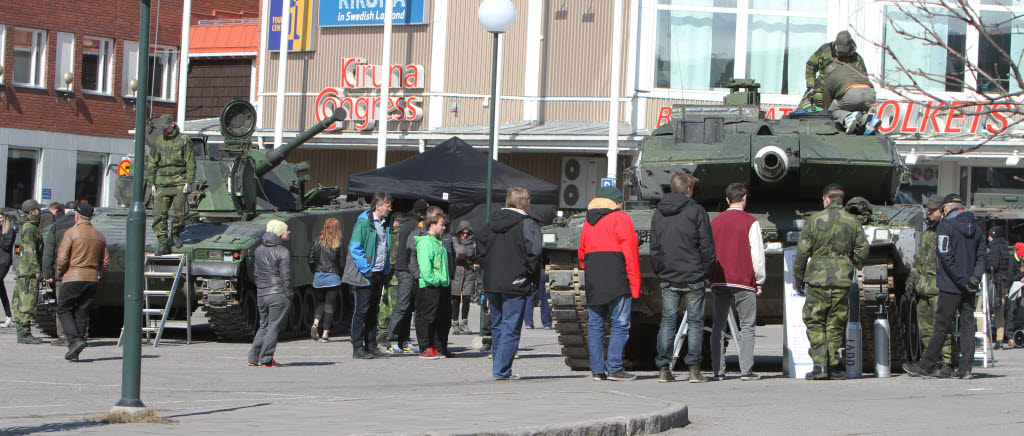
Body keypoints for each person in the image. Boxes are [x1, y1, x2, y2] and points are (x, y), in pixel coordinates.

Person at [904, 194, 987, 379]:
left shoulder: (945, 226)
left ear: (946, 209)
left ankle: (926, 365)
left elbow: (945, 256)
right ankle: (965, 369)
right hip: (970, 287)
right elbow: (982, 257)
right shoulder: (977, 228)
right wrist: (973, 278)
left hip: (951, 285)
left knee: (941, 327)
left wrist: (960, 280)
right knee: (967, 326)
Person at [794, 184, 869, 380]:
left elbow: (802, 252)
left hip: (818, 278)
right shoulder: (852, 221)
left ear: (826, 199)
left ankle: (819, 366)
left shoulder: (815, 220)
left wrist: (798, 276)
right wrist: (848, 261)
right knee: (836, 322)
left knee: (815, 320)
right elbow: (863, 250)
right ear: (841, 199)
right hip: (842, 279)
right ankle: (834, 365)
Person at [652, 172, 716, 383]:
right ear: (688, 190)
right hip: (693, 274)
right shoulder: (696, 211)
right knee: (695, 322)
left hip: (668, 274)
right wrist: (706, 270)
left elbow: (654, 246)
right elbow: (706, 245)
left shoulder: (659, 212)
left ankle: (664, 368)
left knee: (668, 321)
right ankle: (694, 370)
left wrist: (659, 269)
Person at [478, 187, 542, 380]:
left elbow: (479, 249)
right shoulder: (527, 223)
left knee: (497, 326)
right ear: (523, 203)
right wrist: (532, 277)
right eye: (529, 202)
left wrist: (488, 268)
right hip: (517, 280)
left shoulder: (491, 222)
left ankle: (499, 367)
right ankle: (501, 371)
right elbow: (534, 253)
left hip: (492, 281)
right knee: (511, 327)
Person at [579, 186, 640, 381]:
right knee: (620, 323)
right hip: (617, 276)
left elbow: (581, 253)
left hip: (594, 277)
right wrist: (635, 285)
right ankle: (615, 368)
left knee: (596, 325)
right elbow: (630, 253)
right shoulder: (621, 218)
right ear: (617, 203)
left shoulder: (588, 221)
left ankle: (597, 370)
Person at [709, 183, 766, 381]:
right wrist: (759, 279)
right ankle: (746, 370)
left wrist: (711, 277)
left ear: (727, 199)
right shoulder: (751, 222)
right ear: (744, 198)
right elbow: (757, 255)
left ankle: (718, 370)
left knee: (718, 325)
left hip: (720, 280)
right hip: (743, 280)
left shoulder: (715, 222)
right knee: (747, 325)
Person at [54, 203, 109, 361]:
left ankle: (74, 341)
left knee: (63, 309)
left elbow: (62, 258)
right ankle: (75, 351)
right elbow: (105, 261)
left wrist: (59, 272)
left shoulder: (71, 232)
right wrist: (95, 272)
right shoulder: (99, 235)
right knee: (82, 311)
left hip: (72, 276)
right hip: (91, 279)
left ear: (77, 217)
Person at [342, 192, 393, 359]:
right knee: (362, 311)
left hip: (378, 273)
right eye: (387, 205)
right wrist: (367, 270)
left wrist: (385, 268)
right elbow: (355, 248)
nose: (389, 208)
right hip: (367, 274)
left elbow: (383, 248)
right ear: (377, 206)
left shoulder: (383, 224)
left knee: (373, 310)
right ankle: (358, 347)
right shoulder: (364, 223)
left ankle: (371, 345)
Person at [906, 195, 952, 372]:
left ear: (942, 210)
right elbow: (918, 262)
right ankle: (930, 361)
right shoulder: (927, 234)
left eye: (933, 209)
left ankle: (947, 361)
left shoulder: (946, 231)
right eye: (929, 209)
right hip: (924, 287)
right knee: (925, 328)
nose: (929, 212)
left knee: (943, 327)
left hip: (939, 287)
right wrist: (911, 281)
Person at [146, 113, 195, 255]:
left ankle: (175, 234)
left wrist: (189, 182)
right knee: (159, 214)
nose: (164, 130)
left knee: (180, 212)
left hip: (179, 181)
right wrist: (152, 183)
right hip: (162, 183)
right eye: (163, 128)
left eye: (166, 127)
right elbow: (152, 164)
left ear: (172, 124)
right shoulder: (159, 142)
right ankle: (162, 243)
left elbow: (190, 163)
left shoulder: (184, 141)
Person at [248, 220, 293, 367]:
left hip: (262, 293)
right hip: (278, 293)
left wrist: (261, 288)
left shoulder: (259, 249)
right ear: (279, 232)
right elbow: (286, 276)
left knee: (264, 325)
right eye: (286, 230)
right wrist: (288, 293)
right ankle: (267, 358)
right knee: (274, 326)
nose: (289, 232)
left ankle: (253, 357)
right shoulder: (282, 251)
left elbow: (256, 273)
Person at [386, 199, 429, 353]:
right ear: (422, 214)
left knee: (408, 307)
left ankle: (403, 340)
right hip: (406, 270)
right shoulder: (415, 225)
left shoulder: (406, 223)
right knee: (403, 306)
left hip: (403, 268)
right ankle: (392, 341)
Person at [414, 212, 452, 358]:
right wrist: (435, 280)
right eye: (441, 224)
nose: (444, 227)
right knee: (427, 317)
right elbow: (425, 267)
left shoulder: (439, 241)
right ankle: (425, 347)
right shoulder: (425, 242)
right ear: (432, 225)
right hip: (430, 285)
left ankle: (438, 347)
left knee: (441, 318)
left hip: (442, 284)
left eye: (445, 225)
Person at [800, 30, 867, 110]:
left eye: (844, 49)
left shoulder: (856, 60)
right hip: (821, 90)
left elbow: (863, 79)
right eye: (839, 48)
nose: (841, 52)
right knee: (804, 109)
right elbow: (811, 65)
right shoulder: (825, 50)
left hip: (842, 94)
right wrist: (811, 85)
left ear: (850, 46)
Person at [41, 204, 77, 346]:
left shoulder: (57, 226)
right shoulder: (86, 226)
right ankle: (81, 335)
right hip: (81, 272)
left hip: (61, 272)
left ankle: (63, 336)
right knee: (79, 305)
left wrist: (48, 273)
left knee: (62, 305)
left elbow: (49, 252)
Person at [309, 218, 344, 343]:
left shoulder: (317, 241)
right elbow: (341, 263)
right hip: (333, 277)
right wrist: (340, 275)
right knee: (329, 307)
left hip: (319, 277)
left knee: (320, 304)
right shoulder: (338, 243)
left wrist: (316, 272)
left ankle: (315, 324)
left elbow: (311, 259)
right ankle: (325, 334)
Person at [14, 199, 44, 344]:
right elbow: (32, 252)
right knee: (27, 301)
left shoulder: (25, 226)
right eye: (38, 210)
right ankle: (24, 333)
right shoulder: (31, 229)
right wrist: (37, 270)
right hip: (28, 271)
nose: (39, 213)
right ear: (32, 212)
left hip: (23, 270)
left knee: (20, 301)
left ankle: (22, 332)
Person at [820, 63, 879, 134]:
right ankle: (870, 119)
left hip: (853, 94)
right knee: (859, 109)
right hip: (870, 94)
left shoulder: (831, 77)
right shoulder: (853, 67)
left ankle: (847, 117)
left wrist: (827, 110)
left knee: (832, 110)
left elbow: (827, 99)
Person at [450, 220, 478, 335]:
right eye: (463, 233)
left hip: (468, 272)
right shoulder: (454, 241)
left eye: (467, 233)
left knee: (466, 298)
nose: (465, 235)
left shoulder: (473, 243)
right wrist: (457, 257)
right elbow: (450, 254)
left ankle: (464, 323)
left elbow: (477, 256)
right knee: (456, 298)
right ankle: (455, 322)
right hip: (457, 272)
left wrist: (473, 259)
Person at [987, 226, 1010, 349]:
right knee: (999, 311)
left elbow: (993, 266)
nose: (988, 237)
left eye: (990, 235)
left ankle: (985, 339)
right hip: (1004, 283)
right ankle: (1000, 340)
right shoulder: (1005, 247)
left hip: (994, 283)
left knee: (982, 308)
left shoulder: (994, 248)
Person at [0, 212, 16, 328]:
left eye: (0, 217)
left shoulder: (9, 230)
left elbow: (6, 245)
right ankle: (8, 316)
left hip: (4, 262)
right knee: (1, 288)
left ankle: (9, 316)